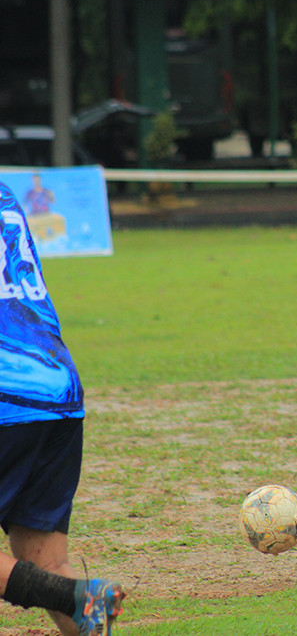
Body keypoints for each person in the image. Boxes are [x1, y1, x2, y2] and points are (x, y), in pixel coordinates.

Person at [0, 181, 125, 633]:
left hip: (6, 395)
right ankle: (77, 602)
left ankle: (72, 597)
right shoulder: (4, 191)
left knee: (58, 586)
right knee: (44, 557)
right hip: (56, 385)